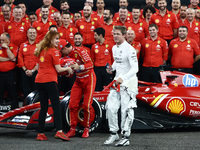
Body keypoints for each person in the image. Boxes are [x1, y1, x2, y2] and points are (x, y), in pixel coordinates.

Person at [34, 30, 72, 141]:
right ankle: (59, 131)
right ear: (51, 39)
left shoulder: (41, 50)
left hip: (39, 81)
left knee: (43, 108)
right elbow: (59, 69)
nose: (58, 41)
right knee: (56, 106)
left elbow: (37, 67)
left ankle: (40, 133)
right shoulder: (54, 52)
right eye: (56, 38)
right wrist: (68, 68)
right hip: (50, 81)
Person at [104, 26, 138, 146]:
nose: (115, 36)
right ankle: (114, 133)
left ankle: (126, 136)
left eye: (118, 34)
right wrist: (111, 68)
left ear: (124, 35)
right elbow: (117, 62)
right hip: (116, 82)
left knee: (126, 110)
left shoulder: (130, 49)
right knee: (111, 108)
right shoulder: (114, 47)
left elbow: (135, 68)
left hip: (129, 84)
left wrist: (122, 78)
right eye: (114, 34)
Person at [60, 42, 96, 138]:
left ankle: (86, 128)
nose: (62, 53)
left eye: (62, 50)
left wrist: (79, 67)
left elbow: (90, 64)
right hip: (78, 80)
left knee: (86, 105)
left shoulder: (80, 50)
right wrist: (68, 73)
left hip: (89, 79)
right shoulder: (67, 56)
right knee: (72, 105)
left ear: (65, 48)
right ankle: (72, 129)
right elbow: (72, 73)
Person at [17, 27, 38, 99]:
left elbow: (40, 60)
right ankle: (26, 107)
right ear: (27, 34)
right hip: (24, 72)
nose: (32, 34)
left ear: (36, 34)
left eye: (34, 33)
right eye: (30, 33)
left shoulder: (40, 45)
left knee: (35, 91)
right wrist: (25, 70)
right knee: (25, 90)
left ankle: (35, 108)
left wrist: (33, 70)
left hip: (36, 72)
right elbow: (20, 58)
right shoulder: (22, 45)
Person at [0, 32, 18, 109]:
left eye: (3, 40)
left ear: (8, 40)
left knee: (12, 92)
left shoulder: (14, 46)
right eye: (0, 40)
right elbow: (11, 58)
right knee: (0, 92)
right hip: (1, 74)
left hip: (10, 74)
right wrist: (10, 59)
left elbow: (13, 56)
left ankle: (14, 109)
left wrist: (6, 48)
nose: (1, 42)